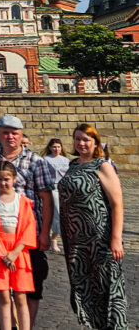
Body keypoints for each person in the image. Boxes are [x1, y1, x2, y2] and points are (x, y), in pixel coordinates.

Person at [0, 115, 53, 327]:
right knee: (2, 290)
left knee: (29, 288)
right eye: (5, 133)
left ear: (21, 135)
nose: (10, 137)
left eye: (14, 133)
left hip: (28, 234)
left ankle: (27, 325)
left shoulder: (35, 161)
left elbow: (46, 199)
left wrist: (45, 233)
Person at [58, 124, 127, 330]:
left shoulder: (102, 166)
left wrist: (116, 239)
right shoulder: (73, 165)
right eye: (78, 139)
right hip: (75, 239)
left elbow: (117, 204)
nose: (81, 143)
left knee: (106, 285)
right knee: (84, 284)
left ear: (96, 143)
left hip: (99, 237)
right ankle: (94, 325)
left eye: (86, 139)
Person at [0, 161, 37, 330]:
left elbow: (28, 229)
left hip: (19, 251)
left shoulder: (24, 201)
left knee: (20, 296)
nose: (3, 183)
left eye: (6, 179)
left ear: (14, 179)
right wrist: (3, 254)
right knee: (3, 297)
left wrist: (14, 253)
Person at [41, 138, 68, 254]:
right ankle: (55, 239)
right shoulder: (46, 160)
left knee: (65, 214)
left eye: (58, 147)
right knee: (57, 213)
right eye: (54, 147)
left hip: (64, 188)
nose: (56, 149)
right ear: (50, 148)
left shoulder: (66, 160)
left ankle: (57, 237)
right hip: (53, 188)